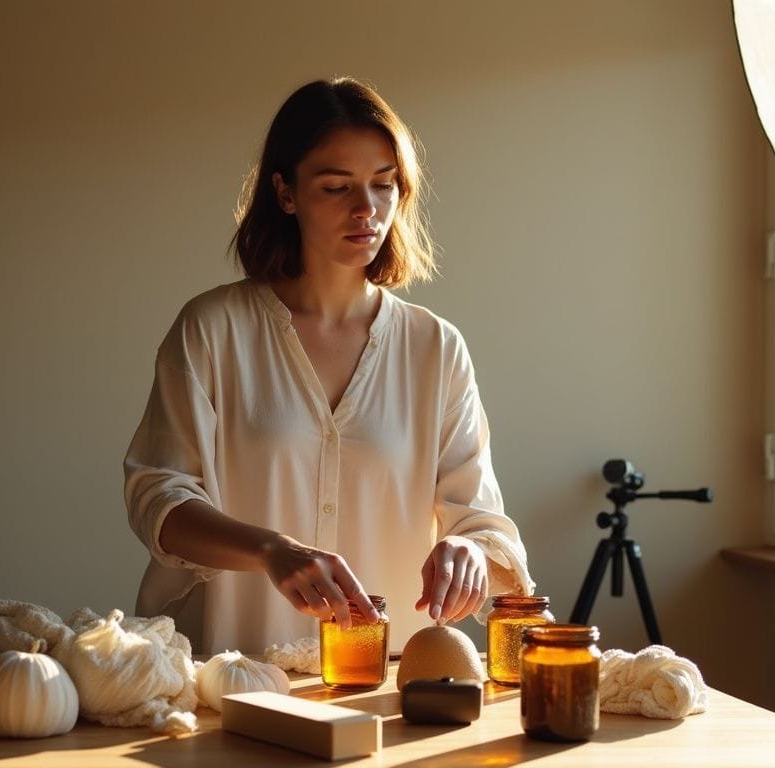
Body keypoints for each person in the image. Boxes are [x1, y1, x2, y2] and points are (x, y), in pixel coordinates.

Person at [124, 77, 534, 655]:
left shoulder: (435, 348)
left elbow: (483, 525)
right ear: (286, 193)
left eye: (383, 185)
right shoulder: (212, 329)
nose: (366, 209)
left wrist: (471, 550)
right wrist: (272, 551)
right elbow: (158, 499)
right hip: (232, 676)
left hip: (383, 687)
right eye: (337, 186)